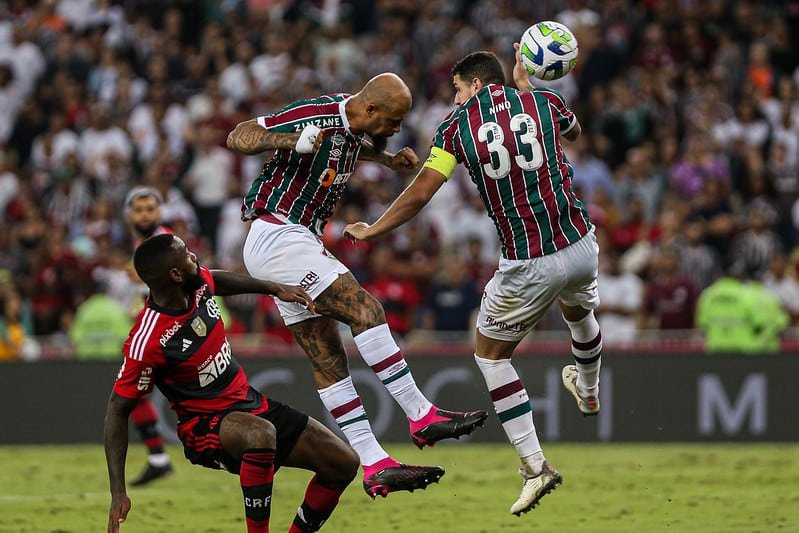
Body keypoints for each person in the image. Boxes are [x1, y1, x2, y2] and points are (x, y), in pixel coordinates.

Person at [344, 51, 604, 515]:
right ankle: (588, 389)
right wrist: (529, 88)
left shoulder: (455, 127)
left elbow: (422, 191)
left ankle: (534, 466)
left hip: (528, 261)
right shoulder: (545, 102)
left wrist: (373, 228)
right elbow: (575, 133)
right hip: (580, 241)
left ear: (474, 84)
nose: (455, 95)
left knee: (490, 355)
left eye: (458, 87)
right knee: (579, 311)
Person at [226, 72, 487, 498]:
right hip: (279, 232)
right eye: (394, 121)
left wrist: (385, 160)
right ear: (370, 109)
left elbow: (349, 146)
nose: (397, 129)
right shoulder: (318, 115)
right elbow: (240, 135)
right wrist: (294, 142)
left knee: (329, 358)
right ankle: (421, 414)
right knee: (365, 310)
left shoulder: (353, 127)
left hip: (290, 240)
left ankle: (373, 462)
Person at [105, 234, 362, 533]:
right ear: (174, 275)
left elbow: (216, 281)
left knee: (343, 463)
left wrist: (275, 289)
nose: (195, 258)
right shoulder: (147, 341)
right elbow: (117, 410)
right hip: (205, 426)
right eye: (188, 255)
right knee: (259, 433)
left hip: (249, 403)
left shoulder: (196, 284)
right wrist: (118, 492)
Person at [119, 187, 177, 486]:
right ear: (129, 214)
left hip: (168, 331)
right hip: (152, 328)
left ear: (159, 212)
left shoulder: (164, 243)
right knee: (134, 393)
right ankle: (159, 459)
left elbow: (176, 282)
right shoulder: (140, 242)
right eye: (139, 209)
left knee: (132, 393)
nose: (144, 214)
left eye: (150, 209)